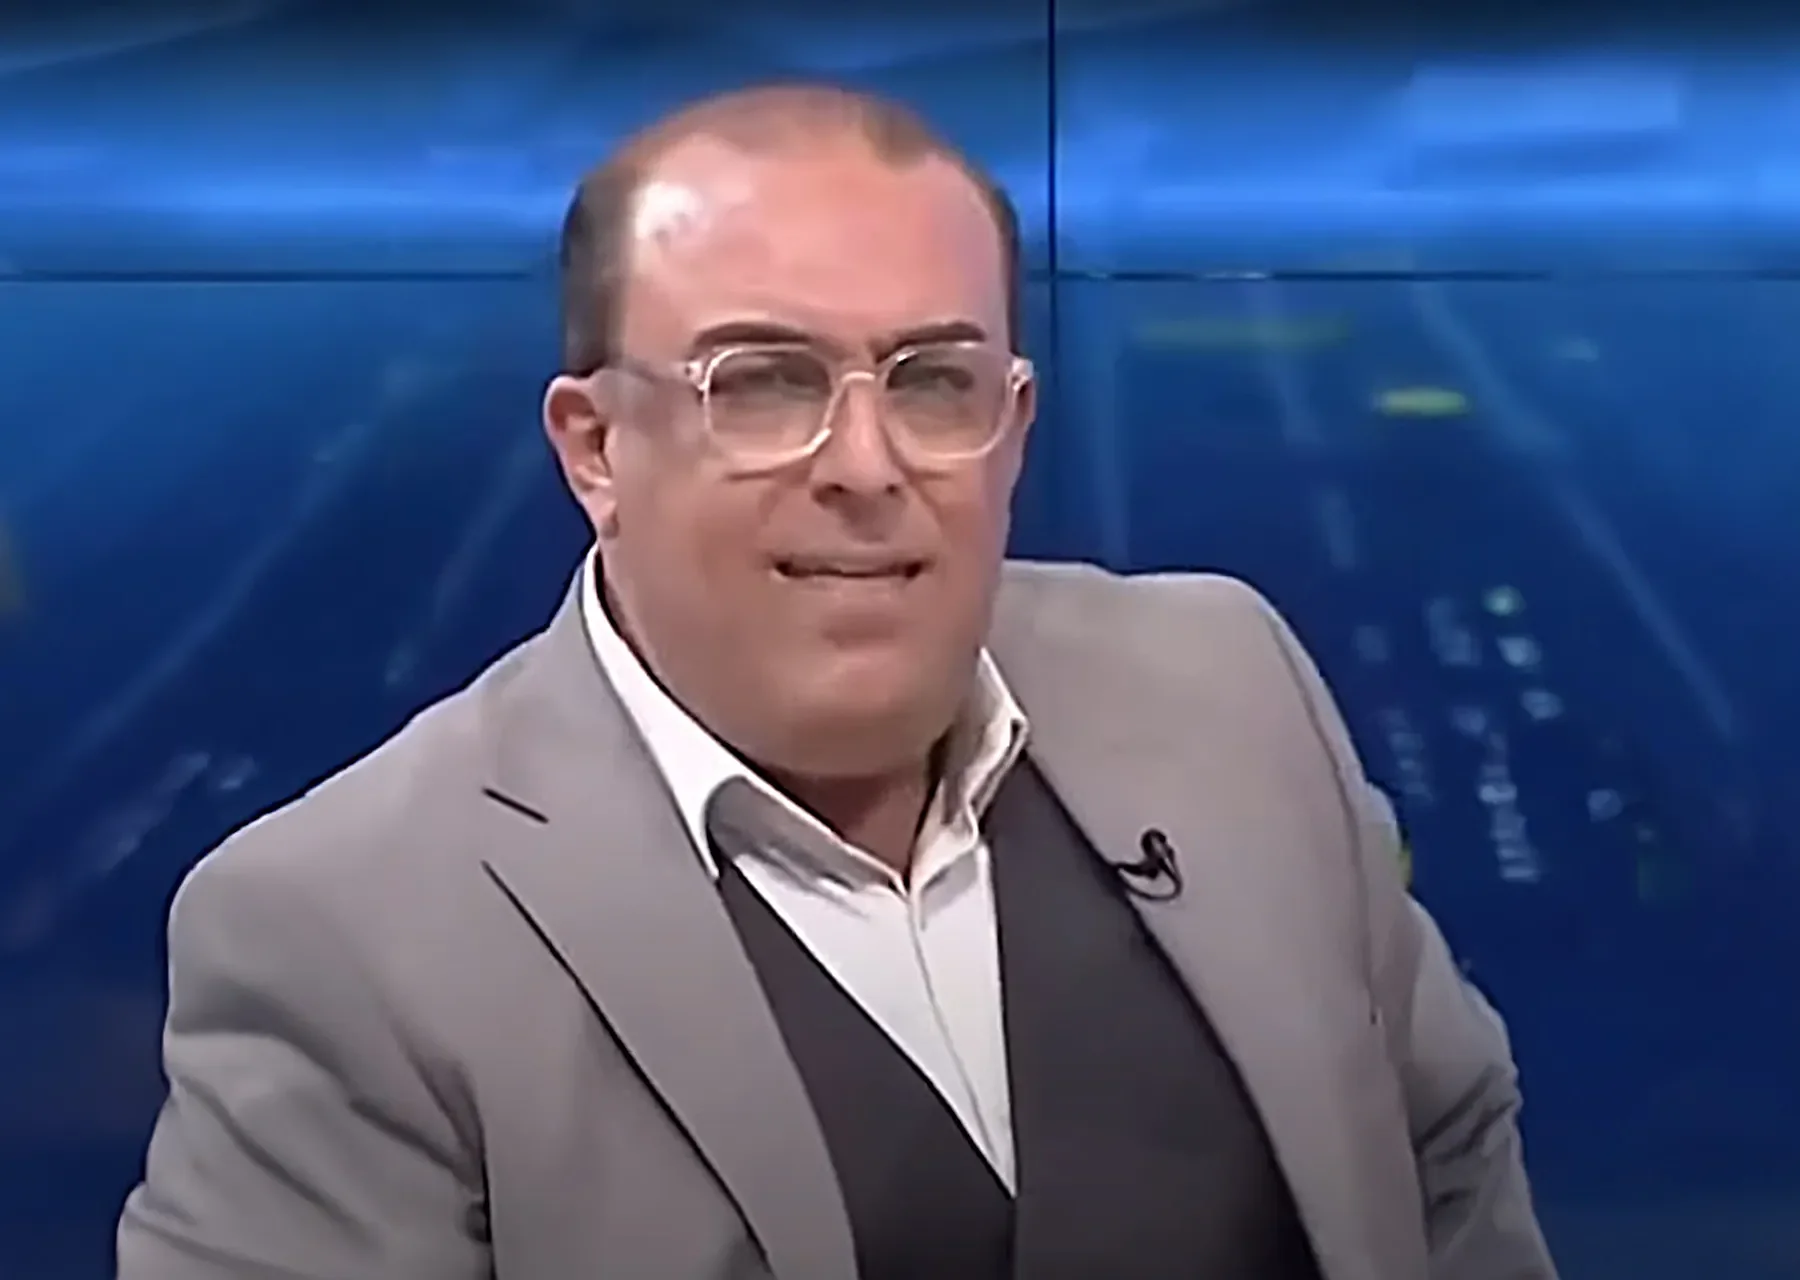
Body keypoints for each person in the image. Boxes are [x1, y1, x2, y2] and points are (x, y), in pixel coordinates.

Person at [117, 83, 1557, 1280]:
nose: (866, 466)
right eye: (761, 383)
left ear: (1013, 427)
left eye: (933, 382)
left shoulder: (1227, 685)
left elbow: (1447, 1168)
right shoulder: (343, 931)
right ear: (595, 449)